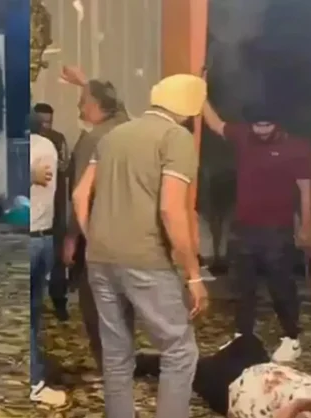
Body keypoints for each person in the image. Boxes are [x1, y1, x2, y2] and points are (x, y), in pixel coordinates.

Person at [72, 74, 209, 418]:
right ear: (189, 109)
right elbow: (171, 210)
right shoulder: (175, 138)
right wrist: (193, 275)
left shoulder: (113, 135)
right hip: (146, 259)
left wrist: (95, 236)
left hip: (100, 258)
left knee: (116, 354)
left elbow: (79, 195)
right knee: (179, 350)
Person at [201, 101, 311, 362]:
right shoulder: (243, 135)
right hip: (244, 228)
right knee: (243, 287)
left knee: (281, 286)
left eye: (267, 125)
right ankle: (242, 336)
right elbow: (215, 124)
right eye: (257, 125)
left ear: (277, 124)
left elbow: (306, 190)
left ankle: (292, 337)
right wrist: (200, 92)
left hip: (278, 231)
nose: (262, 130)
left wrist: (306, 226)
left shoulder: (296, 148)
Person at [61, 67, 133, 380]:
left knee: (95, 304)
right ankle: (123, 364)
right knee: (122, 303)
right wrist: (85, 82)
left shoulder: (94, 139)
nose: (79, 107)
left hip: (94, 232)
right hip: (126, 232)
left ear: (95, 105)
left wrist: (71, 237)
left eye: (83, 101)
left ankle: (109, 367)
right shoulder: (128, 129)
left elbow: (81, 192)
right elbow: (120, 105)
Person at [142, 335, 311, 418]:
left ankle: (140, 364)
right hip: (263, 369)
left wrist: (298, 406)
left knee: (187, 367)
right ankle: (221, 357)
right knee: (249, 340)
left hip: (234, 389)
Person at [29, 112, 67, 407]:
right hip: (44, 237)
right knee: (33, 313)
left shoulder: (28, 149)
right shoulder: (47, 146)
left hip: (29, 240)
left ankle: (34, 381)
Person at [32, 102, 70, 321]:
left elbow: (64, 168)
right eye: (42, 122)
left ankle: (59, 300)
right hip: (36, 213)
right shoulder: (34, 143)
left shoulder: (57, 139)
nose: (46, 126)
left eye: (49, 122)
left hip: (56, 205)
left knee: (57, 256)